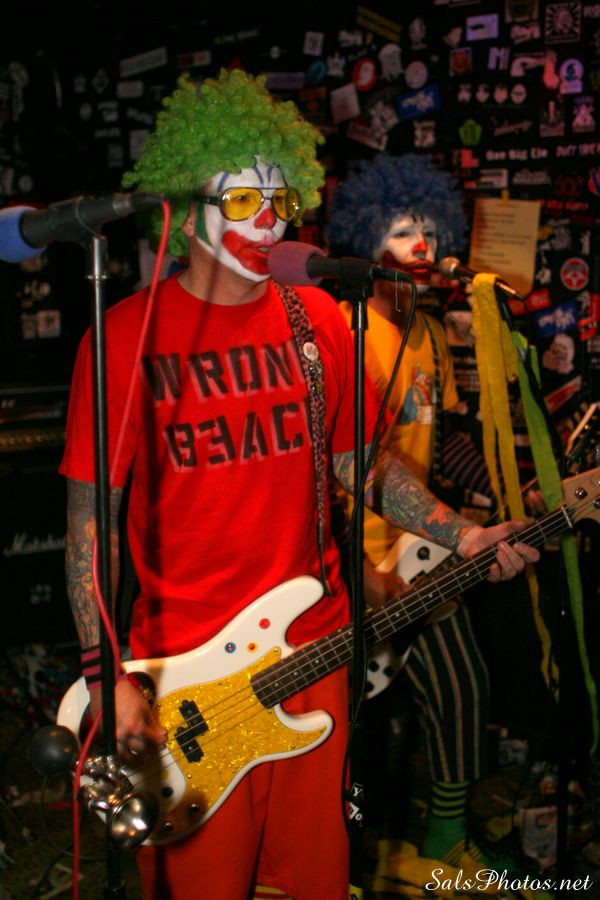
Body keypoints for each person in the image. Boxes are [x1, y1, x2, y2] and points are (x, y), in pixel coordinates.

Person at [59, 72, 539, 900]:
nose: (268, 222)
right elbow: (87, 528)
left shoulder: (317, 321)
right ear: (186, 209)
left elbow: (357, 465)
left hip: (316, 649)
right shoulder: (124, 339)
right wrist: (108, 679)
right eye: (244, 200)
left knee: (315, 880)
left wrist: (462, 533)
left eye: (280, 200)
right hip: (183, 679)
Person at [326, 153, 501, 874]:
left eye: (428, 227)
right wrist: (356, 568)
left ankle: (446, 839)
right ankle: (338, 862)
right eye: (401, 230)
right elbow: (322, 467)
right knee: (343, 731)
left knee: (463, 686)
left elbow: (444, 439)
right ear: (366, 241)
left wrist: (511, 494)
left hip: (421, 553)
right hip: (346, 564)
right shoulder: (342, 332)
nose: (422, 244)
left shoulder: (429, 333)